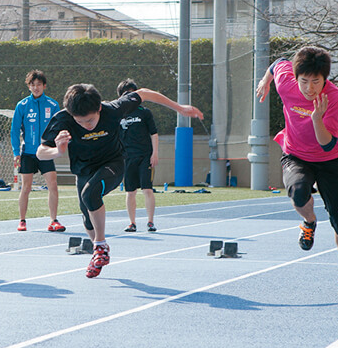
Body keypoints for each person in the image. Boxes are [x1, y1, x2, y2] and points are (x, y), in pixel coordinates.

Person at [37, 83, 203, 278]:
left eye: (90, 120)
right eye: (80, 122)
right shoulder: (63, 119)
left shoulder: (114, 109)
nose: (86, 125)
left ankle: (99, 246)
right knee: (86, 212)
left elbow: (144, 93)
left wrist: (179, 108)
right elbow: (41, 153)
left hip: (113, 164)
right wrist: (58, 150)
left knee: (90, 193)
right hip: (84, 170)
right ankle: (101, 251)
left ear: (99, 108)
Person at [256, 45, 338, 291]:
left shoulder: (336, 100)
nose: (309, 89)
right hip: (296, 155)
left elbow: (326, 144)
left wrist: (316, 119)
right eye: (304, 81)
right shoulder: (287, 83)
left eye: (316, 82)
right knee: (299, 193)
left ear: (325, 79)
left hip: (328, 160)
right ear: (295, 77)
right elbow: (277, 62)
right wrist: (265, 81)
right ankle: (309, 222)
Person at [11, 69, 64, 232]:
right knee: (26, 187)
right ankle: (22, 221)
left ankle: (53, 220)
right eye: (32, 85)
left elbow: (60, 127)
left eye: (39, 85)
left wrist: (57, 146)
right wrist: (16, 153)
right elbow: (14, 131)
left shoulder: (53, 105)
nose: (36, 88)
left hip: (46, 153)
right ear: (29, 87)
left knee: (53, 186)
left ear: (44, 86)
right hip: (27, 154)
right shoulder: (22, 105)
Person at [116, 79, 159, 232]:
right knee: (130, 191)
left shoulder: (144, 112)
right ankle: (132, 223)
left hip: (145, 156)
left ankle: (150, 222)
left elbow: (154, 133)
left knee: (147, 189)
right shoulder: (118, 114)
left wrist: (155, 153)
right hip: (128, 158)